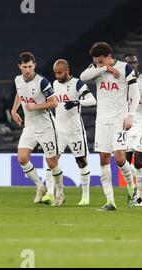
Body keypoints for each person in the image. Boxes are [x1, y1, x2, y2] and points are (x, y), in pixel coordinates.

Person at [80, 42, 140, 211]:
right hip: (102, 121)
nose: (97, 64)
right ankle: (110, 202)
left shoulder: (125, 68)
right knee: (103, 159)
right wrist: (104, 69)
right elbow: (83, 76)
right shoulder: (98, 68)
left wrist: (131, 114)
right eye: (95, 62)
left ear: (108, 57)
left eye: (100, 61)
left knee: (120, 158)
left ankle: (132, 186)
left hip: (119, 120)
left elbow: (134, 93)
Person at [11, 52, 64, 205]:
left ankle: (60, 193)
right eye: (24, 67)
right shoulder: (18, 80)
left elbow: (54, 103)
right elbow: (20, 94)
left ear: (34, 65)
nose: (27, 70)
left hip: (46, 127)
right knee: (22, 158)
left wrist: (36, 106)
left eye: (30, 66)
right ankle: (40, 187)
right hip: (30, 127)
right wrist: (14, 110)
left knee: (52, 163)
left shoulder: (42, 82)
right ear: (20, 66)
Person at [41, 59, 96, 206]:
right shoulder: (54, 84)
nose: (57, 76)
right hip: (58, 131)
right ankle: (49, 194)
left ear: (67, 70)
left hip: (75, 131)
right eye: (55, 73)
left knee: (81, 162)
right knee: (51, 160)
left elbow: (92, 100)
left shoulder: (77, 83)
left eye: (60, 73)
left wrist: (78, 102)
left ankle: (85, 196)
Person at [124, 53, 142, 207]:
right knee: (124, 162)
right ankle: (131, 189)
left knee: (139, 162)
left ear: (137, 63)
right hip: (126, 124)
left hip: (141, 124)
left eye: (134, 62)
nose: (132, 65)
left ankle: (140, 197)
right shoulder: (122, 82)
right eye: (129, 63)